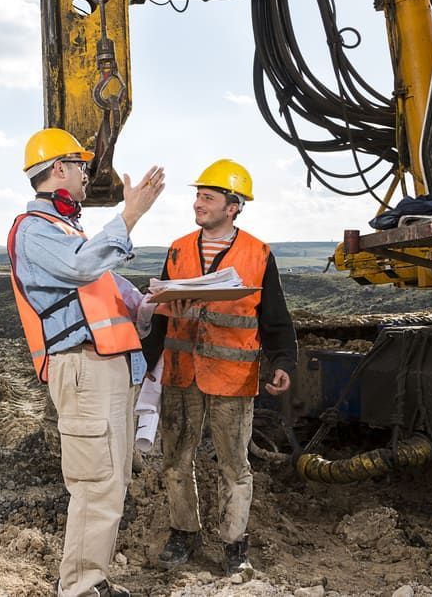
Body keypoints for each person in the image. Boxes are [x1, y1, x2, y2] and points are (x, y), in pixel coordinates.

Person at [7, 127, 164, 597]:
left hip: (108, 369)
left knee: (110, 486)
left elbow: (114, 300)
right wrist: (129, 215)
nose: (85, 176)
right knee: (95, 485)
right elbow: (80, 267)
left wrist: (151, 305)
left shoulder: (69, 232)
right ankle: (78, 589)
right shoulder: (35, 231)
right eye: (80, 167)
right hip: (83, 370)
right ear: (59, 169)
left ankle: (91, 581)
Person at [141, 159, 297, 578]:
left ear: (234, 206)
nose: (198, 203)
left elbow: (275, 317)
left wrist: (283, 361)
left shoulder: (258, 253)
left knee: (234, 464)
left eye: (208, 197)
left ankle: (233, 543)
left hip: (232, 376)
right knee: (175, 457)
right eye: (197, 196)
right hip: (180, 372)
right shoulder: (177, 249)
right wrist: (144, 363)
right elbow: (158, 315)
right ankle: (183, 532)